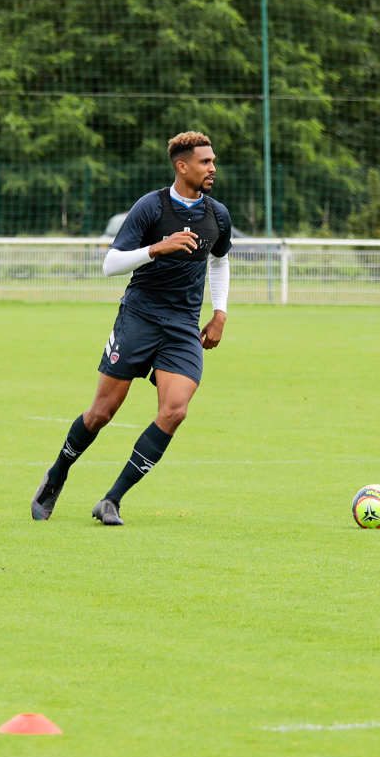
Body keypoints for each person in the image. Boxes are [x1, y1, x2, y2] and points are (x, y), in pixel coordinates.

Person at [30, 131, 232, 526]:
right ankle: (56, 475)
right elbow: (111, 265)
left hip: (182, 327)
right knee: (102, 412)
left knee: (174, 411)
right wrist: (157, 248)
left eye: (212, 161)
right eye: (205, 162)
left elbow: (220, 261)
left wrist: (220, 312)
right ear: (182, 166)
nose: (212, 168)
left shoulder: (218, 214)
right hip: (138, 318)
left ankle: (111, 500)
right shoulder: (149, 207)